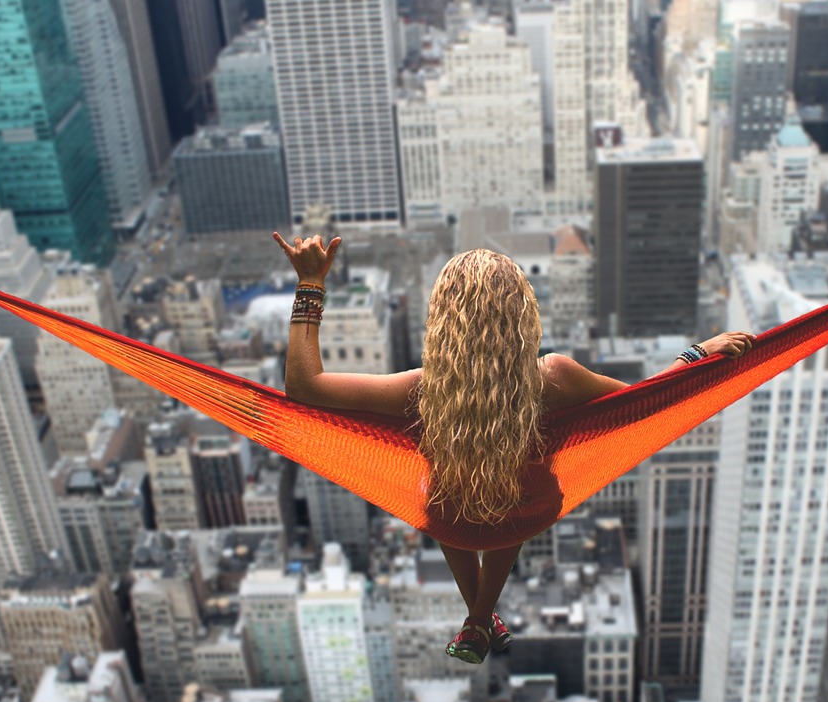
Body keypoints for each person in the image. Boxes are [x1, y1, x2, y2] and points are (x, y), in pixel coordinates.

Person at [275, 231, 753, 664]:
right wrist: (696, 354)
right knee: (515, 480)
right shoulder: (555, 378)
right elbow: (643, 401)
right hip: (527, 514)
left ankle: (479, 620)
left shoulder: (418, 392)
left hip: (451, 522)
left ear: (444, 321)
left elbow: (304, 384)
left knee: (444, 484)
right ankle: (480, 621)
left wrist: (311, 282)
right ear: (522, 315)